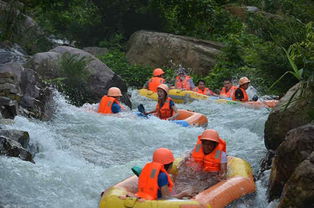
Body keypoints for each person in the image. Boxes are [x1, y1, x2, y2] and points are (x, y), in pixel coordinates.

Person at [174, 129, 227, 196]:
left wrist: (221, 177)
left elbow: (223, 172)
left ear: (215, 145)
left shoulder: (221, 155)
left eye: (211, 145)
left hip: (211, 175)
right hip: (199, 173)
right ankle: (183, 192)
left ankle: (188, 193)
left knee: (207, 181)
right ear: (202, 143)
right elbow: (185, 161)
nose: (208, 147)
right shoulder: (197, 149)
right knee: (186, 174)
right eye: (206, 144)